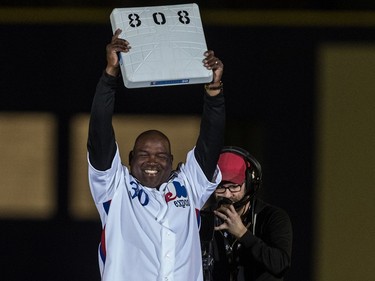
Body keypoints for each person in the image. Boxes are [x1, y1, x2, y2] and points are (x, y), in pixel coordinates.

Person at [87, 28, 225, 281]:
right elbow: (99, 134)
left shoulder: (189, 185)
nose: (152, 160)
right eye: (144, 154)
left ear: (172, 162)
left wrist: (214, 90)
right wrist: (110, 75)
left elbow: (210, 143)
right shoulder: (114, 188)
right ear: (129, 159)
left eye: (161, 155)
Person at [202, 146, 293, 281]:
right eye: (221, 187)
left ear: (250, 184)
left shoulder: (273, 217)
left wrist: (242, 234)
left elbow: (280, 265)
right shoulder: (204, 219)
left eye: (234, 186)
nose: (227, 194)